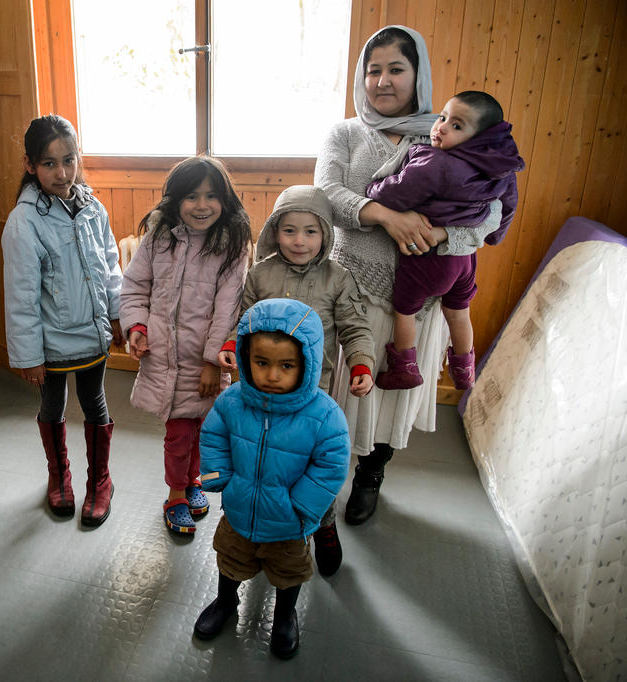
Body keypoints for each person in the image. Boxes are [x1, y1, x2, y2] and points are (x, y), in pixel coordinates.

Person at [314, 25, 502, 525]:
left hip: (420, 301)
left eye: (396, 68)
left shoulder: (449, 130)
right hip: (352, 290)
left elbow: (492, 212)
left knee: (393, 394)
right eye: (372, 70)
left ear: (417, 74)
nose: (382, 80)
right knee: (340, 390)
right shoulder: (347, 132)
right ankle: (324, 476)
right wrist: (384, 215)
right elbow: (327, 191)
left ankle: (372, 475)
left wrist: (443, 238)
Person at [216, 184, 375, 576]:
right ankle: (255, 531)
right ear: (274, 230)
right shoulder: (260, 273)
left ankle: (323, 523)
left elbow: (355, 327)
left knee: (309, 466)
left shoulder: (338, 278)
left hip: (311, 395)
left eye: (310, 231)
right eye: (289, 230)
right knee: (263, 461)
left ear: (325, 235)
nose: (299, 241)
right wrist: (232, 344)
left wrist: (361, 364)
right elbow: (245, 319)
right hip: (259, 392)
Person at [193, 298, 350, 659]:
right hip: (239, 511)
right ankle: (225, 601)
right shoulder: (232, 402)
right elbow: (214, 437)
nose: (272, 375)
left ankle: (283, 617)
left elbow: (331, 466)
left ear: (307, 365)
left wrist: (301, 510)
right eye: (262, 363)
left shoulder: (325, 416)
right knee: (229, 560)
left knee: (289, 572)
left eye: (286, 365)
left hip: (289, 523)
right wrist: (221, 480)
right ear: (247, 358)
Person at [1, 114, 124, 527]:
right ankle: (59, 477)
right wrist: (28, 355)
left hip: (92, 336)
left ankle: (100, 481)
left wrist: (118, 314)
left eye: (69, 160)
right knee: (52, 406)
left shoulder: (93, 209)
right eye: (49, 163)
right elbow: (20, 296)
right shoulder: (24, 222)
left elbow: (110, 267)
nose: (62, 172)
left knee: (96, 403)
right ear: (30, 165)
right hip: (50, 345)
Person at [119, 155, 250, 535]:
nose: (202, 205)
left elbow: (230, 307)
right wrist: (136, 327)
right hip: (166, 359)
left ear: (225, 201)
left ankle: (194, 481)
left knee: (203, 430)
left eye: (211, 196)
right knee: (178, 433)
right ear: (175, 199)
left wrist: (214, 362)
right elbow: (135, 285)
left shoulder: (232, 246)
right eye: (191, 196)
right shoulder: (159, 237)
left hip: (207, 363)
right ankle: (176, 493)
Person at [366, 90, 524, 390]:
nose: (441, 127)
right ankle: (464, 369)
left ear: (479, 138)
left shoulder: (436, 163)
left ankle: (404, 368)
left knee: (405, 309)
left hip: (430, 258)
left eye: (457, 126)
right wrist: (495, 235)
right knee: (459, 312)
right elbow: (508, 206)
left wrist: (373, 190)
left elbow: (396, 192)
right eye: (443, 117)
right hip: (464, 259)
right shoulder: (501, 170)